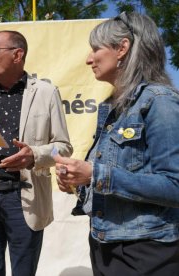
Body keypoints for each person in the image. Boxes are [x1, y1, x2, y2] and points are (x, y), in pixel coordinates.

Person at [54, 12, 179, 275]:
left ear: (122, 48)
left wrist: (96, 174)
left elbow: (174, 185)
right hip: (106, 245)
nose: (89, 59)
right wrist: (81, 181)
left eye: (95, 49)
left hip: (147, 252)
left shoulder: (160, 102)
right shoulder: (114, 108)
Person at [0, 30, 73, 276]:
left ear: (17, 54)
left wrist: (34, 154)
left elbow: (63, 147)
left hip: (23, 197)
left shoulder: (45, 93)